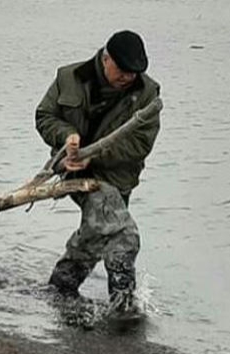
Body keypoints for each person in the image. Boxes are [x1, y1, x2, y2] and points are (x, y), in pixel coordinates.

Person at [34, 30, 161, 324]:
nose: (129, 77)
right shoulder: (69, 78)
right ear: (106, 59)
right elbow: (44, 116)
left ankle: (62, 286)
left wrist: (96, 155)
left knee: (99, 229)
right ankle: (124, 310)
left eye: (135, 72)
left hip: (118, 177)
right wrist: (68, 138)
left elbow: (141, 143)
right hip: (72, 170)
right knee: (124, 236)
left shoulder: (148, 93)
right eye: (124, 70)